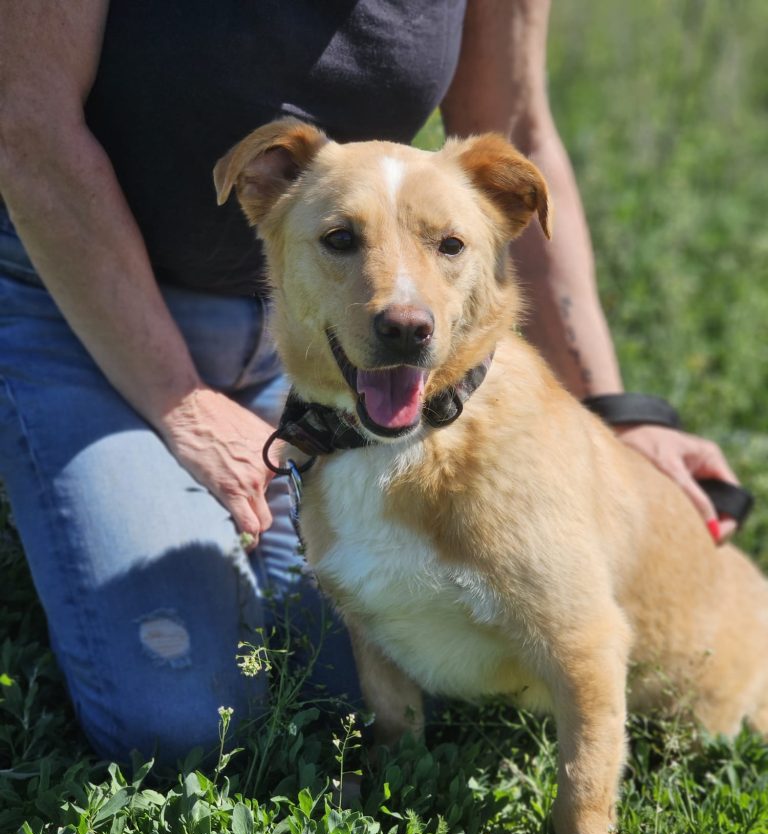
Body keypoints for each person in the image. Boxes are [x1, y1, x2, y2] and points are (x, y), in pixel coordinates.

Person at [0, 0, 740, 766]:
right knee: (180, 718)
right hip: (77, 304)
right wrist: (180, 403)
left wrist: (619, 411)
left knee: (372, 678)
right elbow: (26, 122)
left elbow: (516, 125)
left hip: (316, 344)